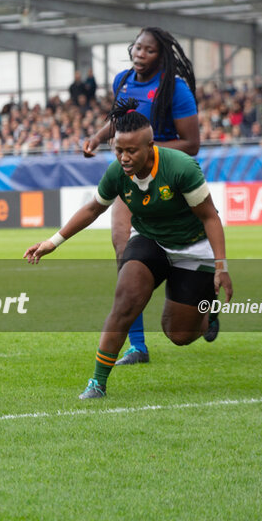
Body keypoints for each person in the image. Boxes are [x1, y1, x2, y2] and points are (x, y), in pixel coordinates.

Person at [27, 98, 231, 399]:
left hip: (192, 248)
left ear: (151, 146)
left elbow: (210, 217)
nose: (123, 157)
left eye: (131, 150)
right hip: (151, 241)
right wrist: (52, 242)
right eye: (118, 150)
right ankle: (97, 382)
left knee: (179, 334)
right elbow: (93, 208)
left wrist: (221, 266)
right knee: (126, 298)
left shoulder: (181, 168)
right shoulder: (117, 172)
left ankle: (208, 311)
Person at [83, 27, 200, 367]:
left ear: (160, 56)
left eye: (148, 50)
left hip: (170, 178)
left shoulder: (175, 89)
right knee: (125, 253)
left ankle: (202, 301)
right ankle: (137, 346)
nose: (140, 54)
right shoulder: (123, 80)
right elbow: (121, 120)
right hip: (131, 177)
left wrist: (147, 152)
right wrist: (96, 137)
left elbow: (191, 143)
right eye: (137, 47)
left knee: (181, 257)